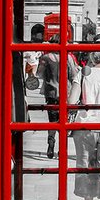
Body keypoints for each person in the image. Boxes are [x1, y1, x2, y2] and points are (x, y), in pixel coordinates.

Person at [35, 32, 80, 160]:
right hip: (66, 93)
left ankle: (50, 143)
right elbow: (73, 75)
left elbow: (39, 74)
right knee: (64, 122)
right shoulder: (68, 58)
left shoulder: (46, 58)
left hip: (51, 93)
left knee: (52, 121)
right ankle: (62, 149)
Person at [73, 51, 100, 200]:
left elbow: (71, 100)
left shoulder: (83, 74)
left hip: (86, 127)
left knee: (85, 166)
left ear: (93, 59)